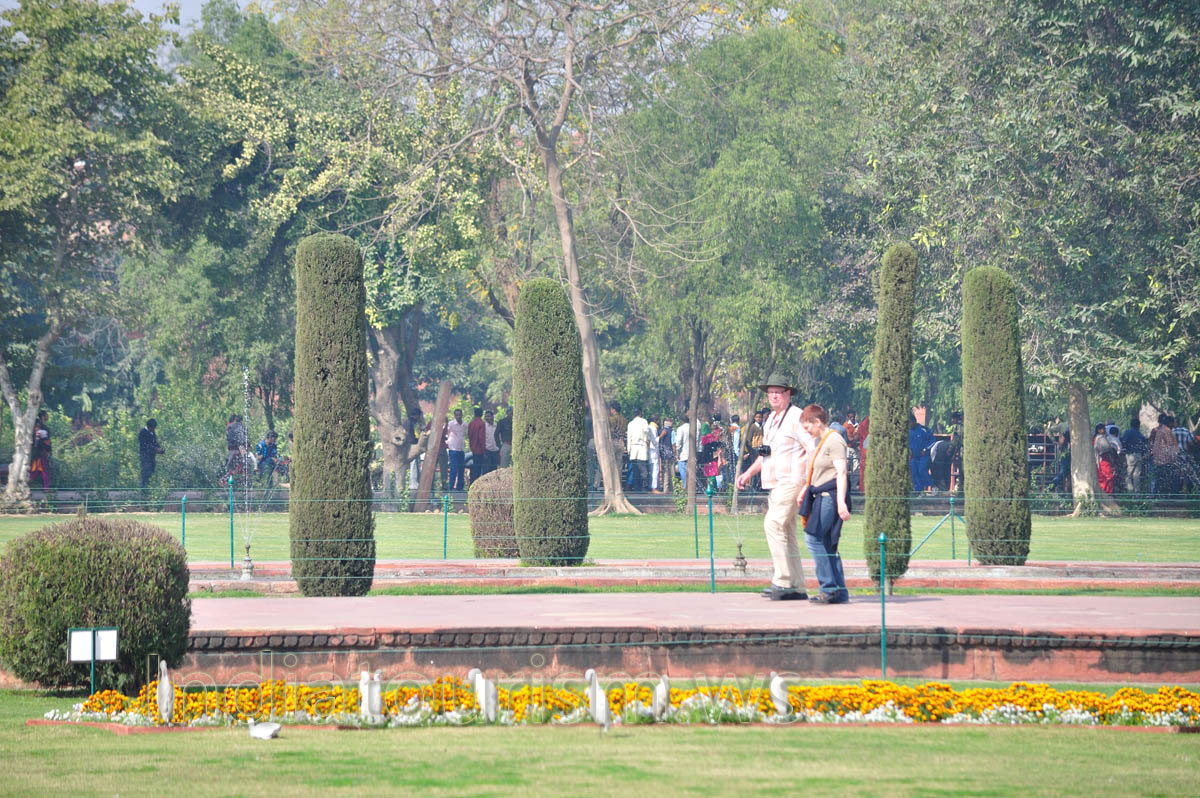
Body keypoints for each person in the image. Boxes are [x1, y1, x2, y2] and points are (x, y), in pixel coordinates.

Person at [736, 374, 811, 601]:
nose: (775, 396)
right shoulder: (770, 421)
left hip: (792, 481)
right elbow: (766, 454)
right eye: (771, 393)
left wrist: (808, 483)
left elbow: (813, 448)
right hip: (775, 484)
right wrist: (748, 473)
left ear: (788, 394)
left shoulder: (797, 417)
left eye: (779, 392)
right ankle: (797, 585)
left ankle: (783, 580)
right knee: (787, 532)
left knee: (772, 524)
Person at [797, 404, 852, 604]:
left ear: (817, 422)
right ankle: (839, 591)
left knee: (813, 538)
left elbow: (842, 472)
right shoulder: (822, 441)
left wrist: (840, 504)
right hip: (822, 495)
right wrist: (805, 488)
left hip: (830, 497)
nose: (807, 431)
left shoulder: (834, 440)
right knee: (827, 543)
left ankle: (828, 588)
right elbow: (817, 471)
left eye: (807, 427)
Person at [1149, 414, 1179, 495]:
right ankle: (1173, 497)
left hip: (1159, 460)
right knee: (1174, 479)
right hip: (1167, 460)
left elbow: (1154, 445)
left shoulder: (1159, 430)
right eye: (1173, 423)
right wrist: (1175, 459)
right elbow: (1170, 446)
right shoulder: (1167, 431)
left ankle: (1156, 496)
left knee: (1159, 480)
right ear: (1170, 423)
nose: (1174, 425)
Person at [1120, 415, 1148, 493]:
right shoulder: (1140, 434)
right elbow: (1144, 444)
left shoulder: (1128, 432)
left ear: (1131, 425)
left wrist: (1125, 450)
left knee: (1129, 475)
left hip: (1130, 455)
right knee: (1137, 475)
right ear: (1138, 425)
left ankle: (1130, 491)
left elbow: (1124, 442)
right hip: (1139, 455)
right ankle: (1137, 492)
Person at [908, 413, 934, 492]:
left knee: (922, 470)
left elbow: (932, 441)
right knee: (914, 472)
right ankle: (919, 490)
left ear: (914, 421)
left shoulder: (924, 430)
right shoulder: (909, 431)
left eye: (909, 422)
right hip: (914, 456)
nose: (909, 424)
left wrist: (925, 449)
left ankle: (932, 486)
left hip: (924, 456)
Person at [626, 410, 651, 492]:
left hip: (633, 448)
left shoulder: (630, 423)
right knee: (643, 468)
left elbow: (629, 438)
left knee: (635, 469)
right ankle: (644, 487)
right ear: (641, 413)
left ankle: (637, 488)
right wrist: (648, 441)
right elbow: (647, 432)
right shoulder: (644, 421)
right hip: (641, 447)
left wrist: (629, 450)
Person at [1093, 423, 1120, 495]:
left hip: (1104, 460)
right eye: (1103, 429)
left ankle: (1107, 493)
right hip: (1103, 460)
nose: (1104, 430)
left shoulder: (1100, 437)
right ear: (1099, 430)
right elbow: (1106, 448)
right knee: (1107, 477)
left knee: (1107, 477)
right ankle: (1107, 493)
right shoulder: (1100, 438)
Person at [138, 419, 164, 488]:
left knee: (151, 473)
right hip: (145, 457)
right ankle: (144, 490)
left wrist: (160, 449)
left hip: (152, 457)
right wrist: (155, 448)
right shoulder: (142, 432)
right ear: (149, 427)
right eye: (153, 428)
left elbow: (155, 442)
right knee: (145, 474)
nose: (153, 429)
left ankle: (149, 489)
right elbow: (144, 445)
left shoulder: (152, 432)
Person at [445, 408, 467, 490]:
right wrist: (448, 442)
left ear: (462, 415)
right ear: (455, 415)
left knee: (461, 469)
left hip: (461, 449)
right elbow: (446, 433)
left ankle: (460, 487)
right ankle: (451, 487)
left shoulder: (465, 425)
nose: (458, 416)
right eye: (457, 415)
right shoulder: (451, 424)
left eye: (460, 414)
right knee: (454, 469)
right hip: (453, 449)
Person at [30, 409, 51, 490]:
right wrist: (48, 451)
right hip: (41, 452)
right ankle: (46, 489)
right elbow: (45, 441)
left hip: (36, 452)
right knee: (43, 470)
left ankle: (25, 484)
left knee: (37, 471)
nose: (48, 416)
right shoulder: (42, 427)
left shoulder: (36, 425)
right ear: (43, 416)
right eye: (46, 415)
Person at [466, 407, 486, 484]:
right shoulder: (481, 423)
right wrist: (484, 450)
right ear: (481, 414)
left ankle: (472, 483)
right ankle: (476, 484)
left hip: (473, 448)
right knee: (479, 468)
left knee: (474, 467)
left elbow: (469, 435)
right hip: (480, 449)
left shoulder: (471, 423)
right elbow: (481, 438)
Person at [225, 414, 248, 478]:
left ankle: (227, 478)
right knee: (246, 462)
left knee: (229, 465)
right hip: (241, 447)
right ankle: (244, 477)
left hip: (233, 448)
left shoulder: (230, 426)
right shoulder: (243, 426)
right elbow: (245, 439)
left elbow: (229, 438)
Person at [657, 416, 676, 494]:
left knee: (665, 472)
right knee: (672, 472)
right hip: (670, 454)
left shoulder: (659, 431)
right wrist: (675, 453)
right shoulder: (672, 432)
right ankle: (674, 489)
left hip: (663, 454)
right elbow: (673, 444)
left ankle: (665, 489)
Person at [483, 410, 500, 475]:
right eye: (486, 416)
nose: (487, 418)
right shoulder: (484, 426)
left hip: (496, 450)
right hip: (487, 450)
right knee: (486, 470)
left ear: (492, 417)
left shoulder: (497, 426)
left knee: (494, 470)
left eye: (488, 416)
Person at [647, 414, 661, 492]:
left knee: (651, 470)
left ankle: (652, 486)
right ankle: (654, 487)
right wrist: (661, 435)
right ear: (656, 420)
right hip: (653, 451)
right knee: (655, 470)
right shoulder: (653, 428)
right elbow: (655, 441)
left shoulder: (649, 427)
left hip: (651, 451)